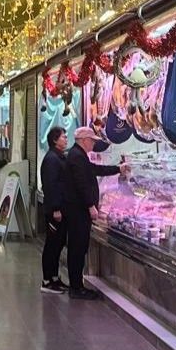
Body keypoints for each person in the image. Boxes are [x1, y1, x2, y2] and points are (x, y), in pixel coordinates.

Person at [63, 126, 128, 300]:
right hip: (78, 211)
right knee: (77, 248)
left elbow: (94, 170)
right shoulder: (76, 157)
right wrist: (91, 205)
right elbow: (81, 184)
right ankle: (76, 287)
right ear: (84, 140)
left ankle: (77, 285)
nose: (93, 144)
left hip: (78, 210)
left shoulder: (78, 155)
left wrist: (117, 169)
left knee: (78, 248)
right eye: (92, 141)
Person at [40, 127, 70, 293]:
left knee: (58, 245)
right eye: (63, 137)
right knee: (52, 245)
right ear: (54, 140)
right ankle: (46, 280)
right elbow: (50, 187)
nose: (66, 139)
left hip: (62, 209)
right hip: (54, 212)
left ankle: (55, 277)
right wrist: (56, 209)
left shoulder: (59, 157)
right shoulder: (52, 159)